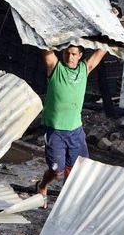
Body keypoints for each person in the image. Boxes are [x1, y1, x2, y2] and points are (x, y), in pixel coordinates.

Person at [36, 45, 108, 206]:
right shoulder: (55, 68)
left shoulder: (84, 69)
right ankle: (42, 186)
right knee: (56, 170)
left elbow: (102, 50)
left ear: (80, 55)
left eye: (74, 54)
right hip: (55, 131)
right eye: (67, 53)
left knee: (73, 170)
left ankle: (65, 200)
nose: (70, 57)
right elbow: (45, 49)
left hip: (75, 130)